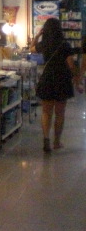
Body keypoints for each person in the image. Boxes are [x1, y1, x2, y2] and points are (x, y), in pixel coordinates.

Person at [30, 18, 80, 152]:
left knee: (46, 112)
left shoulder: (44, 44)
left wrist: (38, 35)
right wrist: (77, 80)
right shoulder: (65, 45)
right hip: (62, 80)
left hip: (47, 79)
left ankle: (46, 138)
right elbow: (71, 65)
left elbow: (31, 48)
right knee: (60, 113)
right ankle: (56, 142)